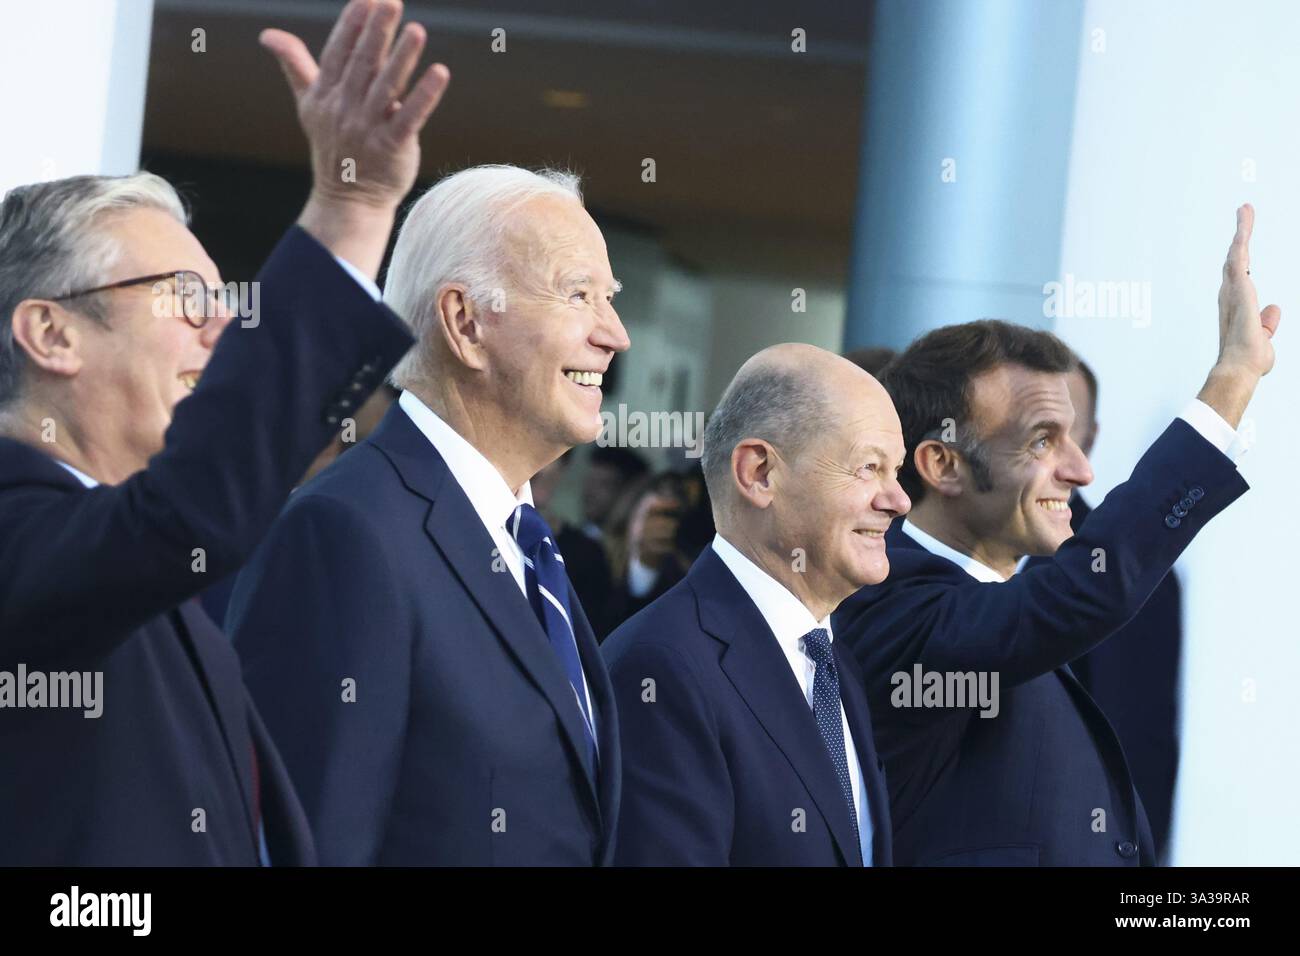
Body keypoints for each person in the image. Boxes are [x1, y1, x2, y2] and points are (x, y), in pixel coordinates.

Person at [0, 0, 447, 864]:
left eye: (226, 302)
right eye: (188, 299)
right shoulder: (27, 534)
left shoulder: (158, 576)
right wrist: (348, 211)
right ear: (50, 333)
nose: (220, 330)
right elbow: (185, 514)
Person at [834, 206, 1279, 866]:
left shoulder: (1002, 597)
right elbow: (1084, 589)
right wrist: (1232, 380)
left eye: (1074, 437)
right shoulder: (890, 602)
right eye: (1043, 440)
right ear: (943, 464)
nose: (1080, 470)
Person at [229, 163, 631, 865]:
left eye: (611, 298)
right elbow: (311, 846)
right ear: (465, 321)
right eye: (579, 295)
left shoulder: (528, 544)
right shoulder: (346, 534)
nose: (615, 334)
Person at [604, 344, 906, 865]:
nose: (897, 500)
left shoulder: (830, 662)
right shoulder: (662, 667)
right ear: (760, 473)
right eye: (868, 467)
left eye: (895, 471)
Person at [1043, 357, 1183, 862]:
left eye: (1062, 427)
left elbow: (1136, 735)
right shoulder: (905, 552)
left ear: (1092, 436)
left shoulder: (1133, 570)